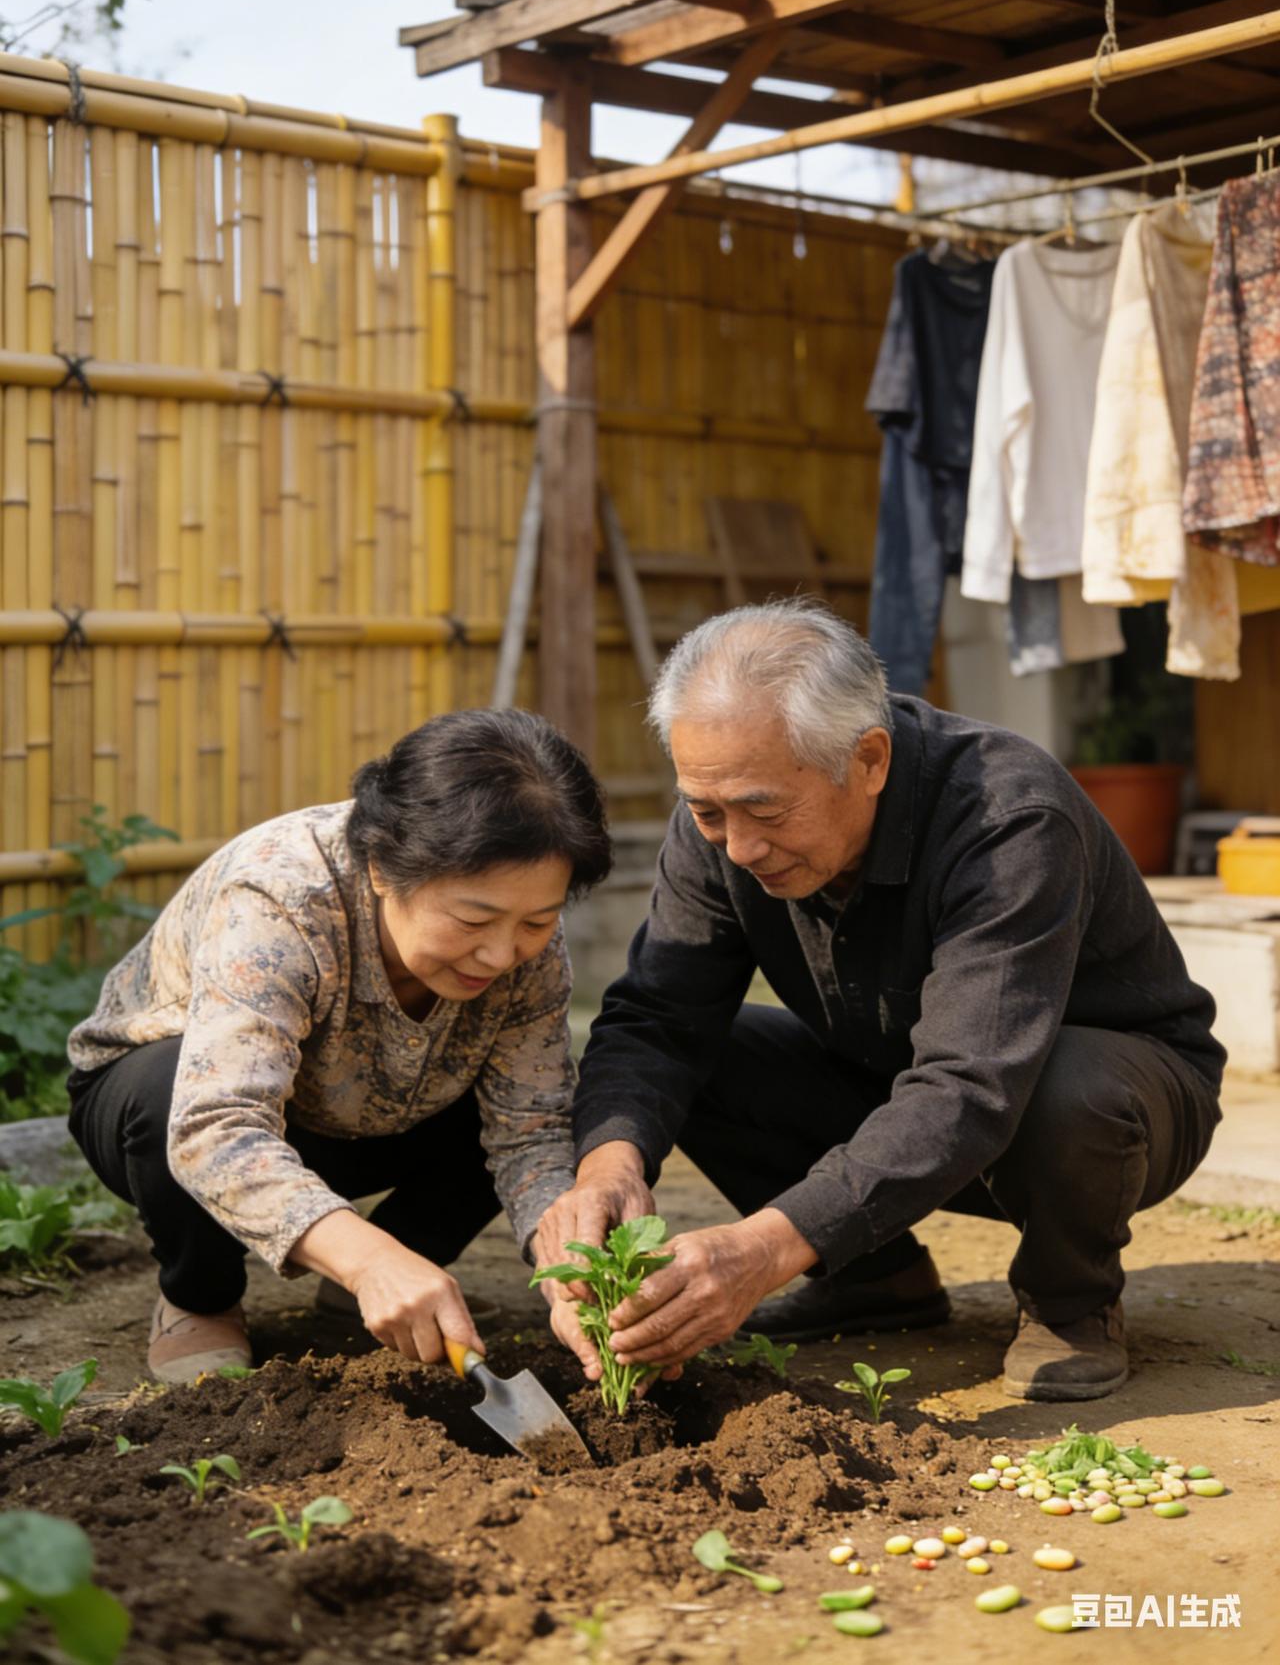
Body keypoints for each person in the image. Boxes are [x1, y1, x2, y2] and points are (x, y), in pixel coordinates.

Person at [536, 600, 1225, 1402]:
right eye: (708, 810)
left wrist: (760, 1250)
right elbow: (657, 1017)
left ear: (868, 760)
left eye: (765, 810)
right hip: (896, 1081)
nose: (741, 846)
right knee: (705, 1061)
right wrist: (606, 1168)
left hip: (1103, 1114)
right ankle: (877, 1279)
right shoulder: (723, 824)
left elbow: (972, 1086)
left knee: (1072, 1083)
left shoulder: (1008, 817)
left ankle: (1070, 1302)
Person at [67, 709, 612, 1383]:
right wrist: (367, 1258)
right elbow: (215, 1125)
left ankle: (380, 1285)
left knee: (559, 1096)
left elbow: (529, 1128)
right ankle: (198, 1298)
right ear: (384, 867)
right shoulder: (282, 894)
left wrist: (567, 1265)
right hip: (180, 1116)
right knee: (168, 1087)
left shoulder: (528, 948)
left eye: (537, 920)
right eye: (473, 918)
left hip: (384, 1115)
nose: (502, 953)